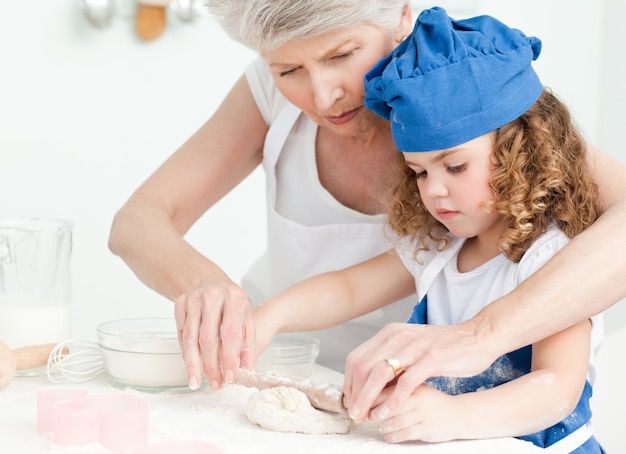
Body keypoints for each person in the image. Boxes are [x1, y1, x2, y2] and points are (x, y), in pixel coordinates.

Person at [108, 0, 626, 396]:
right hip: (287, 373)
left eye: (342, 55)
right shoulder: (266, 97)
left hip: (414, 398)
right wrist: (207, 286)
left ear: (401, 15)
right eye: (288, 70)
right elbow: (138, 222)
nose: (323, 94)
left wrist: (481, 334)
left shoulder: (468, 96)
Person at [253, 8, 604, 452]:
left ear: (522, 150)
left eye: (454, 166)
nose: (434, 190)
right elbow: (348, 289)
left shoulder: (548, 257)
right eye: (418, 172)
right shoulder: (439, 243)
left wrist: (453, 415)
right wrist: (269, 316)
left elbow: (556, 388)